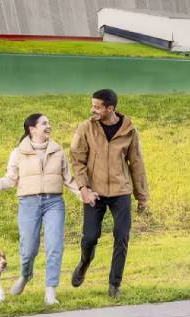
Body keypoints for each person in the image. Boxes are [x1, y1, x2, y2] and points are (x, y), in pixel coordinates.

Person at [0, 113, 81, 305]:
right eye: (44, 123)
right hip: (28, 203)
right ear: (32, 129)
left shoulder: (58, 151)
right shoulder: (18, 153)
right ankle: (25, 275)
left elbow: (69, 180)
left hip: (54, 202)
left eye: (49, 123)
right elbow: (9, 180)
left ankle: (50, 292)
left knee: (55, 246)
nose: (49, 126)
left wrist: (84, 195)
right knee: (28, 248)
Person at [69, 89, 149, 298]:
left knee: (122, 236)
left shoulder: (129, 131)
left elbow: (137, 163)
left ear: (110, 108)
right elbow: (77, 160)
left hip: (121, 191)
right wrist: (84, 189)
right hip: (93, 192)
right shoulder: (85, 128)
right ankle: (84, 263)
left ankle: (115, 285)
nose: (92, 109)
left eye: (97, 106)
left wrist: (142, 196)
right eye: (92, 105)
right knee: (89, 237)